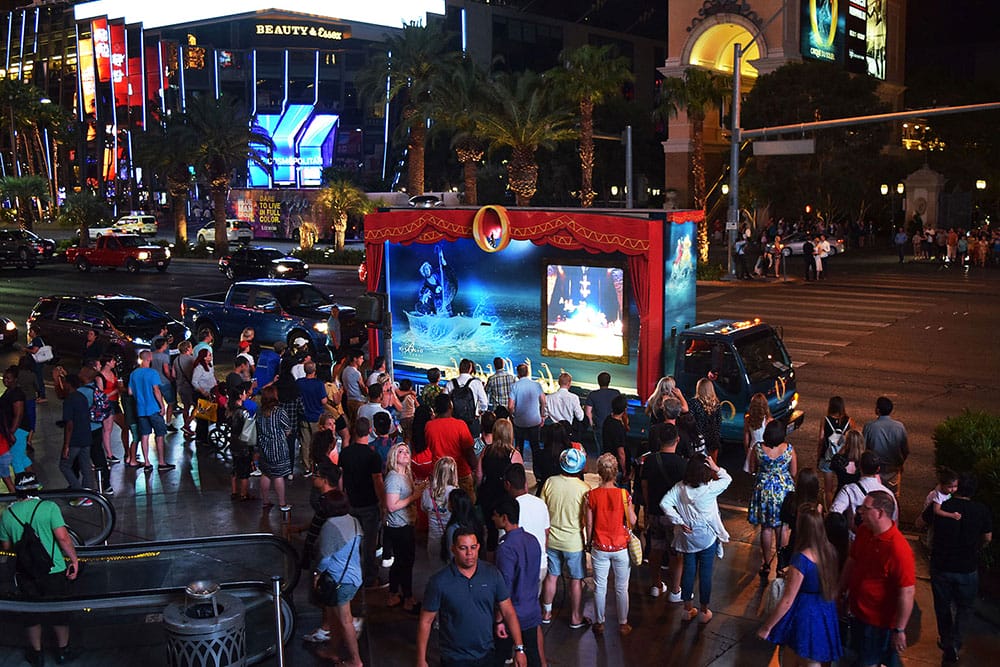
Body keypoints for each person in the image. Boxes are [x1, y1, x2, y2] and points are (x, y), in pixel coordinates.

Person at [0, 473, 80, 666]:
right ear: (37, 488)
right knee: (59, 610)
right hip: (54, 568)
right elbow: (63, 538)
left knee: (31, 612)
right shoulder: (49, 507)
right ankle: (62, 651)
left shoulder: (8, 514)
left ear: (17, 491)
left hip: (25, 571)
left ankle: (37, 654)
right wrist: (74, 560)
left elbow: (6, 546)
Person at [417, 528, 528, 667]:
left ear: (478, 547)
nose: (469, 553)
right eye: (463, 548)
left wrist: (519, 648)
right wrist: (421, 660)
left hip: (486, 653)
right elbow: (426, 621)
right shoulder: (439, 582)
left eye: (473, 547)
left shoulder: (492, 574)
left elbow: (508, 611)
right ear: (453, 549)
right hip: (454, 658)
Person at [757, 504, 843, 666]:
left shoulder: (801, 559)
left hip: (804, 615)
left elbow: (787, 600)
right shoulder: (830, 551)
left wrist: (767, 627)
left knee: (794, 658)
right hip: (825, 612)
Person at [840, 490, 916, 667]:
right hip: (857, 614)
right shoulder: (865, 532)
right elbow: (852, 561)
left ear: (880, 513)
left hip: (877, 623)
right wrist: (840, 590)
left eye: (865, 509)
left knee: (869, 661)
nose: (860, 512)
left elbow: (907, 592)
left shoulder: (898, 549)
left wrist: (899, 629)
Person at [660, 454, 732, 624]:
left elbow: (664, 503)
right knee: (705, 573)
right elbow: (727, 478)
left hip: (688, 537)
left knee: (689, 571)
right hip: (707, 537)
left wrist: (679, 520)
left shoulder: (680, 488)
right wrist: (716, 467)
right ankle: (704, 611)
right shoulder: (710, 488)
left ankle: (687, 609)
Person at [930, 472, 993, 663]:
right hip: (967, 567)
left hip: (942, 565)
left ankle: (946, 638)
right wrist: (977, 547)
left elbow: (921, 521)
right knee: (965, 606)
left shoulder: (943, 505)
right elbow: (987, 538)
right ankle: (956, 642)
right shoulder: (981, 510)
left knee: (942, 605)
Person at [311, 488, 364, 667]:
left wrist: (317, 574)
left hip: (339, 580)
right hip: (354, 576)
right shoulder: (354, 521)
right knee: (334, 616)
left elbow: (325, 557)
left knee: (345, 620)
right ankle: (333, 651)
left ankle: (355, 660)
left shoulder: (330, 526)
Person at [493, 496, 547, 667]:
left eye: (495, 515)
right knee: (533, 656)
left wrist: (499, 618)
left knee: (501, 657)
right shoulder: (533, 541)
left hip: (513, 614)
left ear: (504, 518)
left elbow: (505, 587)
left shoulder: (506, 548)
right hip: (531, 609)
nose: (492, 518)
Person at [539, 448, 590, 629]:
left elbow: (542, 509)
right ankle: (576, 617)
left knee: (551, 576)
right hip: (574, 542)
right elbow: (586, 517)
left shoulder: (550, 482)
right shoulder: (584, 489)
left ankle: (546, 612)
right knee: (575, 580)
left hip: (551, 539)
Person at [586, 453, 636, 636]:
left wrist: (588, 542)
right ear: (616, 473)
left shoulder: (591, 495)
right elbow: (632, 519)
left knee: (600, 586)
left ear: (599, 472)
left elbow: (589, 523)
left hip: (600, 546)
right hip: (621, 547)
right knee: (622, 587)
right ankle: (623, 624)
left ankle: (600, 622)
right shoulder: (624, 495)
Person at [641, 423, 687, 600]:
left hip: (654, 511)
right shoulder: (682, 464)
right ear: (677, 440)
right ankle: (675, 591)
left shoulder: (651, 460)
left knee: (656, 549)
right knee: (676, 552)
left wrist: (647, 506)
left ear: (659, 440)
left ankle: (656, 584)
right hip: (674, 515)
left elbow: (645, 485)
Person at [339, 417, 386, 588]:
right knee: (369, 543)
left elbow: (342, 478)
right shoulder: (372, 456)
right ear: (370, 431)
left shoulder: (345, 453)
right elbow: (377, 482)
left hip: (351, 502)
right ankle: (370, 576)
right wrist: (383, 503)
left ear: (353, 431)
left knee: (352, 540)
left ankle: (352, 572)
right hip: (369, 504)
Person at [748, 420, 797, 580]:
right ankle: (782, 564)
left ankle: (766, 563)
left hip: (764, 490)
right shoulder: (789, 449)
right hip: (784, 491)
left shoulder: (758, 449)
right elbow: (794, 471)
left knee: (766, 528)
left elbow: (752, 469)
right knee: (782, 528)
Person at [383, 442, 421, 612]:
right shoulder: (393, 478)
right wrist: (414, 496)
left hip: (406, 523)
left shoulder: (406, 474)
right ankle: (407, 597)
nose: (406, 454)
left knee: (403, 561)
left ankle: (394, 594)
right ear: (393, 456)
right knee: (405, 562)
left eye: (407, 451)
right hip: (398, 527)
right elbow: (391, 505)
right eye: (401, 452)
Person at [477, 418, 523, 553]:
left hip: (488, 494)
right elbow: (519, 480)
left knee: (491, 530)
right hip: (505, 496)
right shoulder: (514, 455)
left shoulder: (486, 450)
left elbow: (479, 475)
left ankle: (490, 560)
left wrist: (479, 489)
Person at [425, 394, 478, 502]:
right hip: (460, 473)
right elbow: (469, 451)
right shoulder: (460, 425)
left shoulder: (429, 426)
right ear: (450, 406)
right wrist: (476, 468)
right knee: (466, 507)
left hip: (439, 474)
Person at [830, 450, 898, 534]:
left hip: (854, 539)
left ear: (859, 468)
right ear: (878, 469)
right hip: (879, 541)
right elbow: (894, 521)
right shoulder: (889, 495)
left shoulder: (849, 490)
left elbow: (834, 514)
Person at [504, 463, 550, 584]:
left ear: (507, 485)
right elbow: (546, 535)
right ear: (525, 483)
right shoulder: (541, 504)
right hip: (540, 565)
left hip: (517, 568)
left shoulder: (509, 509)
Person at [128, 349, 173, 470]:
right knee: (159, 435)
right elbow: (156, 390)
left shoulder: (134, 374)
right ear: (149, 359)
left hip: (140, 409)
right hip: (153, 408)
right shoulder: (152, 373)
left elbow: (130, 392)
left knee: (145, 435)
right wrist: (162, 406)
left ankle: (147, 462)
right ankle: (162, 462)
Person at [863, 396, 909, 497]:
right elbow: (905, 450)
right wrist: (900, 463)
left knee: (874, 497)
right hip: (892, 469)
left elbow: (863, 448)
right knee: (892, 497)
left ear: (878, 410)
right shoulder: (899, 426)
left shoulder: (870, 426)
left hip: (874, 469)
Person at [257, 384, 293, 512]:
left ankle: (265, 501)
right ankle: (282, 504)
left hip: (264, 448)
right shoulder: (279, 412)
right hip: (278, 449)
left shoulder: (259, 412)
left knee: (265, 473)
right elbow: (287, 429)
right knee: (278, 476)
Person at [817, 396, 853, 510]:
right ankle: (841, 509)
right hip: (842, 459)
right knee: (843, 486)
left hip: (828, 458)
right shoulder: (849, 421)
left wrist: (818, 457)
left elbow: (821, 440)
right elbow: (852, 440)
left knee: (828, 489)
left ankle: (830, 511)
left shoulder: (825, 420)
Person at [422, 456, 458, 563]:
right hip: (453, 537)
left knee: (436, 570)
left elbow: (424, 509)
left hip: (433, 538)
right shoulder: (455, 493)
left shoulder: (426, 492)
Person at [297, 361, 328, 477]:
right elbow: (323, 401)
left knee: (305, 442)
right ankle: (317, 465)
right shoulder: (319, 384)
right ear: (314, 371)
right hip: (317, 416)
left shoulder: (299, 383)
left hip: (303, 416)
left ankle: (307, 467)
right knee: (318, 442)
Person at [444, 358, 488, 437]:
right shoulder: (477, 383)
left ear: (459, 368)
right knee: (473, 446)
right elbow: (484, 403)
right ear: (470, 368)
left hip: (454, 422)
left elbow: (444, 402)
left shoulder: (450, 383)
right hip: (471, 422)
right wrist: (478, 413)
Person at [227, 383, 255, 501]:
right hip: (243, 443)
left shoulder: (230, 410)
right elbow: (248, 428)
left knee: (235, 467)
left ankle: (234, 492)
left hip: (233, 441)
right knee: (244, 470)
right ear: (241, 395)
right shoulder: (243, 412)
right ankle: (244, 493)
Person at [584, 372, 620, 451]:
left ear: (598, 381)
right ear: (609, 381)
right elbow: (621, 409)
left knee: (601, 450)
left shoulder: (592, 395)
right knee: (616, 449)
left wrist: (592, 424)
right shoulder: (616, 393)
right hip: (614, 425)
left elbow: (588, 412)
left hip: (600, 426)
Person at [190, 348, 217, 446]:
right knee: (202, 418)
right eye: (209, 355)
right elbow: (194, 382)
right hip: (201, 395)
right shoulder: (199, 368)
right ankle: (201, 438)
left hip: (210, 393)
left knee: (206, 416)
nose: (211, 356)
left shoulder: (209, 366)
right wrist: (202, 391)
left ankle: (204, 436)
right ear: (204, 357)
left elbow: (212, 377)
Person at [689, 378, 721, 460]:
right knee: (713, 465)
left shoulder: (693, 403)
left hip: (698, 438)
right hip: (713, 437)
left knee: (699, 466)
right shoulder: (716, 403)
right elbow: (719, 422)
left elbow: (691, 421)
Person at [600, 395, 630, 483]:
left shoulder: (608, 419)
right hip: (617, 466)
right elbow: (621, 453)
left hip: (607, 460)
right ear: (624, 409)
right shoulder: (618, 428)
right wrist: (624, 470)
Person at [743, 392, 772, 473]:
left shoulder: (748, 419)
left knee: (753, 469)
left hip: (753, 447)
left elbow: (746, 436)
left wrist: (747, 449)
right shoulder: (768, 420)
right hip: (765, 448)